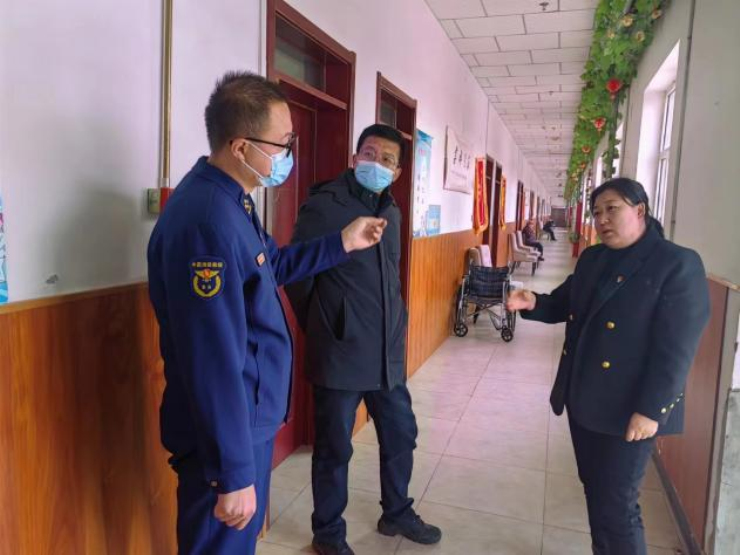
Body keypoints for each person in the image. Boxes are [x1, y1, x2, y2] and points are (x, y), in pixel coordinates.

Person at [147, 71, 387, 555]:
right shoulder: (207, 220)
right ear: (240, 146)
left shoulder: (232, 200)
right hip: (223, 439)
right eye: (283, 143)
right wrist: (233, 472)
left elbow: (269, 266)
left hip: (242, 425)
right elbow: (212, 359)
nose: (288, 155)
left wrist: (342, 242)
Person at [506, 178, 710, 555]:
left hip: (630, 410)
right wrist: (533, 301)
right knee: (596, 491)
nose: (602, 219)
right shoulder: (593, 258)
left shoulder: (676, 263)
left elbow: (676, 350)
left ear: (640, 210)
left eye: (612, 209)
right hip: (584, 399)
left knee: (617, 506)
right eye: (597, 212)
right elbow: (566, 303)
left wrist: (651, 410)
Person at [286, 124, 442, 555]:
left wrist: (398, 323)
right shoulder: (325, 206)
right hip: (340, 351)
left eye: (387, 159)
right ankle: (327, 533)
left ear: (398, 171)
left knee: (401, 434)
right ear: (355, 158)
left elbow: (389, 276)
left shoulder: (392, 211)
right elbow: (297, 275)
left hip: (385, 353)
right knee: (334, 448)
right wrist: (326, 325)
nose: (377, 163)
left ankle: (396, 512)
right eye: (369, 153)